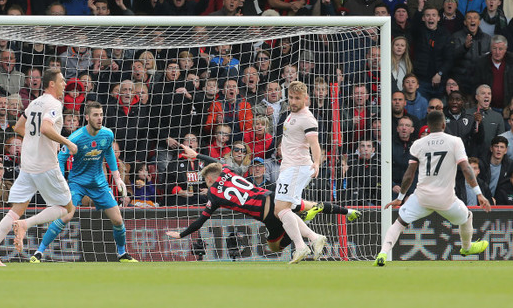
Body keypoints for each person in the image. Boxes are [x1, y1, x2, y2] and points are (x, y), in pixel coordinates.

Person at [166, 144, 361, 257]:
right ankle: (347, 212)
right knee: (308, 205)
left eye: (207, 183)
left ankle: (301, 234)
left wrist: (182, 234)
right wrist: (197, 155)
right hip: (271, 196)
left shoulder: (213, 195)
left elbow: (201, 220)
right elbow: (216, 162)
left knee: (274, 246)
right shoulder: (227, 169)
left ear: (209, 180)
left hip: (265, 213)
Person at [0, 69, 76, 267]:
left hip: (27, 164)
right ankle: (26, 224)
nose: (64, 84)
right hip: (45, 165)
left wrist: (37, 140)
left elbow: (18, 127)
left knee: (16, 210)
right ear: (52, 84)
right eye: (62, 81)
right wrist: (67, 143)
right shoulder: (54, 104)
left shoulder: (35, 102)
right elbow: (46, 128)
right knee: (67, 208)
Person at [374, 111, 492, 267]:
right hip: (446, 200)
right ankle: (466, 247)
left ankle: (382, 253)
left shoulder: (418, 144)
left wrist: (400, 198)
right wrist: (479, 194)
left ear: (428, 127)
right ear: (444, 125)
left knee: (399, 223)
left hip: (422, 198)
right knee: (467, 216)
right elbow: (466, 169)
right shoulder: (455, 141)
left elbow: (409, 174)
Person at [29, 101, 136, 263]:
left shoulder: (107, 134)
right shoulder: (76, 138)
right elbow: (61, 158)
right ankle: (39, 252)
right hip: (77, 184)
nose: (99, 118)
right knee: (65, 216)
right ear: (87, 117)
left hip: (99, 184)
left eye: (101, 115)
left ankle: (122, 254)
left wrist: (117, 178)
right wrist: (61, 182)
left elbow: (109, 153)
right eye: (95, 115)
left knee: (118, 220)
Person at [271, 81, 327, 264]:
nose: (293, 101)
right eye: (291, 97)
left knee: (280, 209)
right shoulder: (292, 113)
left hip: (298, 167)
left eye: (297, 98)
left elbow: (314, 144)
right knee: (283, 210)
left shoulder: (307, 119)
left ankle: (301, 246)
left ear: (305, 98)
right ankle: (314, 237)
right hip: (289, 166)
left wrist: (317, 162)